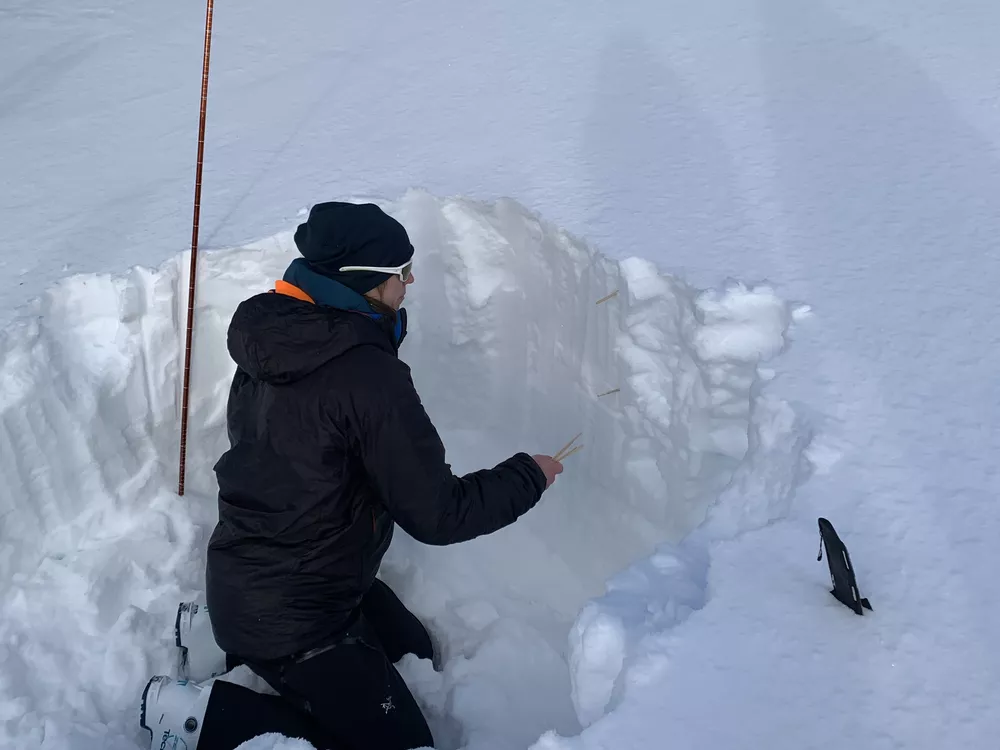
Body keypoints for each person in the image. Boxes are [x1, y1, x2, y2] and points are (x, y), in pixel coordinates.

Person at [201, 201, 563, 749]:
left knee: (416, 651)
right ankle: (202, 715)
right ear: (362, 283)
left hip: (282, 574)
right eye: (401, 273)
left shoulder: (277, 329)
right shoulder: (364, 374)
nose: (411, 280)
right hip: (292, 617)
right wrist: (527, 477)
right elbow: (438, 513)